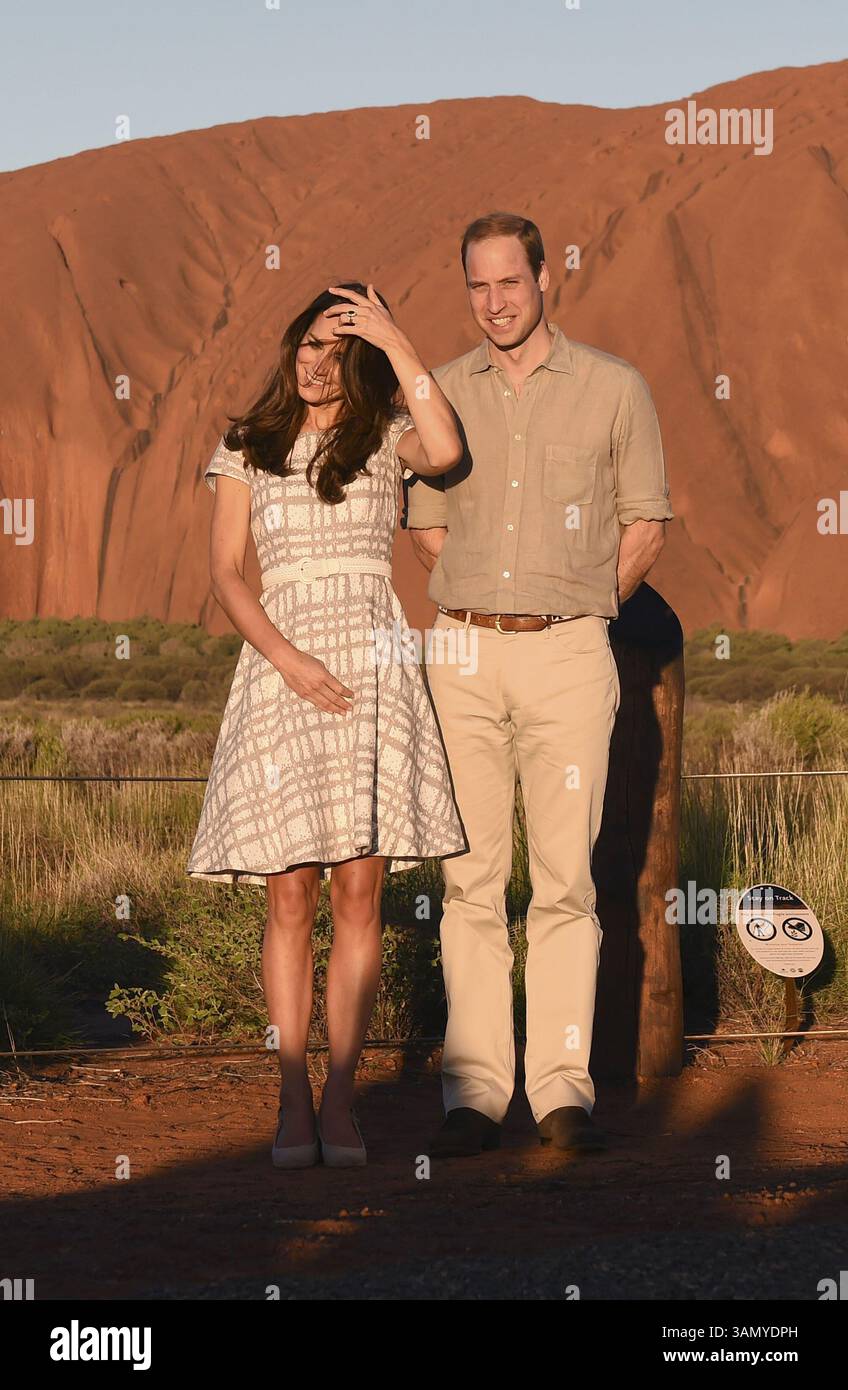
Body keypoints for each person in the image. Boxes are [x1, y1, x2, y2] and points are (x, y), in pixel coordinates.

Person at [403, 213, 674, 1159]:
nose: (494, 303)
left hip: (568, 653)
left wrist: (581, 606)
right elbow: (428, 527)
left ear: (546, 277)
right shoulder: (441, 393)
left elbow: (646, 520)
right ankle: (475, 1091)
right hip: (466, 653)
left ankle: (563, 1090)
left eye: (510, 283)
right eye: (477, 287)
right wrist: (483, 600)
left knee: (564, 883)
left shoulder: (613, 388)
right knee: (470, 880)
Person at [187, 282, 467, 1169]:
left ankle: (343, 1099)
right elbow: (227, 572)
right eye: (308, 344)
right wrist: (286, 656)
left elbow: (450, 448)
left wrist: (396, 337)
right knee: (289, 896)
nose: (316, 363)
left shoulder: (385, 435)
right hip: (281, 672)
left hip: (373, 672)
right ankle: (290, 1099)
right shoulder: (246, 445)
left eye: (337, 349)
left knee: (358, 896)